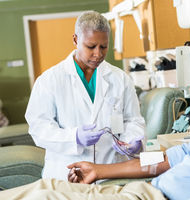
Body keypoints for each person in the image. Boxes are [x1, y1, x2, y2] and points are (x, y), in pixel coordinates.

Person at [0, 65, 190, 199]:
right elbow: (164, 159)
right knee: (47, 186)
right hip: (141, 192)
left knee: (46, 197)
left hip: (156, 198)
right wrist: (99, 170)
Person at [25, 10, 145, 180]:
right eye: (91, 46)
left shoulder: (120, 78)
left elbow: (133, 119)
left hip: (111, 172)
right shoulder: (49, 80)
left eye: (103, 46)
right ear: (75, 40)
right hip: (66, 176)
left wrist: (134, 140)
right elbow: (38, 128)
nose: (98, 54)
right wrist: (74, 137)